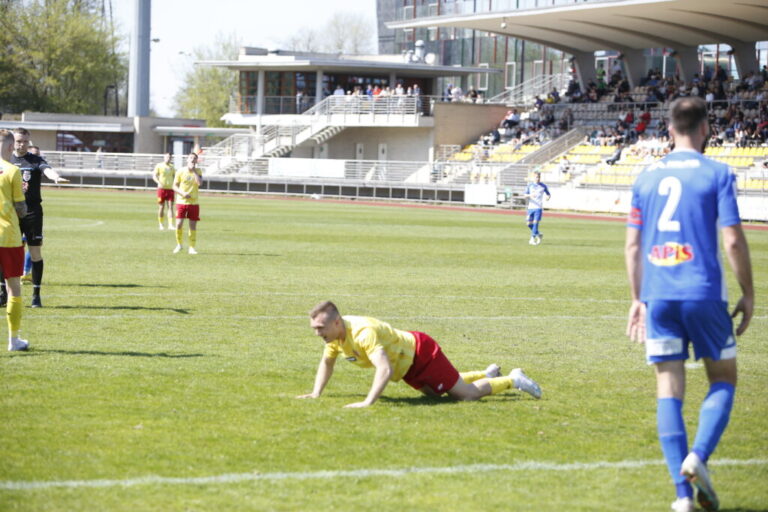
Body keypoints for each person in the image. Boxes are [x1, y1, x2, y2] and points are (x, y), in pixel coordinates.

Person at [625, 97, 754, 512]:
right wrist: (749, 293)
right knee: (723, 379)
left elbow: (631, 245)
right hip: (703, 293)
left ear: (669, 129)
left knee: (668, 389)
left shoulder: (646, 177)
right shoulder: (717, 172)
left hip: (659, 295)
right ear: (705, 129)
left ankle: (681, 498)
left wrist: (637, 299)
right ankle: (698, 454)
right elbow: (732, 239)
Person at [297, 301, 542, 408]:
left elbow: (385, 369)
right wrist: (316, 393)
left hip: (420, 353)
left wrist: (367, 402)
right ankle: (485, 373)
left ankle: (513, 379)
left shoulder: (362, 333)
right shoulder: (335, 338)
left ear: (337, 322)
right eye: (314, 328)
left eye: (320, 328)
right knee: (437, 394)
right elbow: (326, 362)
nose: (317, 333)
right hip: (408, 366)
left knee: (465, 396)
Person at [1, 128, 68, 309]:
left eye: (25, 142)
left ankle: (36, 295)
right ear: (12, 142)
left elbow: (47, 170)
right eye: (19, 141)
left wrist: (56, 178)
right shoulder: (6, 162)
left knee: (36, 253)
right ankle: (2, 293)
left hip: (32, 214)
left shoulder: (34, 160)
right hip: (10, 214)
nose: (22, 144)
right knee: (4, 252)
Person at [0, 130, 29, 351]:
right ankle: (13, 340)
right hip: (8, 236)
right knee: (13, 286)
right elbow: (20, 209)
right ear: (11, 147)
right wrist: (21, 194)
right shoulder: (13, 170)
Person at [172, 152, 203, 254]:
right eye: (191, 158)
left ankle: (192, 247)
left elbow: (199, 183)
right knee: (179, 224)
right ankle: (179, 244)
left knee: (192, 226)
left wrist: (193, 171)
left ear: (196, 161)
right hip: (181, 202)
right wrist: (182, 193)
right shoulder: (180, 171)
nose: (192, 160)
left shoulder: (198, 171)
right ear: (187, 159)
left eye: (194, 158)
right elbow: (174, 186)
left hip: (194, 203)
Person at [524, 171, 551, 246]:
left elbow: (548, 194)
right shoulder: (530, 185)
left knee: (535, 223)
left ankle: (532, 239)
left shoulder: (543, 186)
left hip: (538, 208)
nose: (538, 178)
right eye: (536, 177)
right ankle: (538, 234)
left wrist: (548, 197)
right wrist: (530, 195)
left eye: (539, 177)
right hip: (530, 208)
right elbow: (524, 195)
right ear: (533, 177)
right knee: (528, 224)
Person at [152, 152, 176, 230]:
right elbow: (154, 176)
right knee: (161, 207)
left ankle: (170, 225)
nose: (168, 158)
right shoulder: (159, 166)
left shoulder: (172, 167)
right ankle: (161, 224)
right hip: (161, 189)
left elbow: (175, 177)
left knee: (170, 207)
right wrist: (158, 182)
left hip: (170, 189)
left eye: (169, 157)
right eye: (166, 157)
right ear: (164, 157)